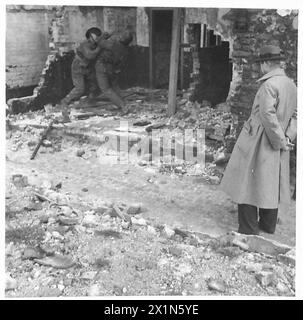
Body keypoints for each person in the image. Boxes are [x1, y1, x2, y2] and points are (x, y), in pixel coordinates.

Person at [219, 45, 297, 235]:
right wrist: (287, 138)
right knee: (270, 182)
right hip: (278, 140)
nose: (260, 68)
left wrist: (279, 140)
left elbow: (267, 116)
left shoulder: (269, 85)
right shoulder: (291, 84)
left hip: (259, 139)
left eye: (261, 63)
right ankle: (268, 225)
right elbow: (296, 115)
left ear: (268, 63)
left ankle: (248, 228)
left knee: (247, 182)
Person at [57, 27, 111, 121]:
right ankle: (65, 101)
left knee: (95, 82)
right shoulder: (84, 44)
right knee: (79, 89)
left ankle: (89, 100)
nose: (97, 39)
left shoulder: (95, 43)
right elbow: (90, 55)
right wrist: (100, 47)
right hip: (78, 67)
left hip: (87, 67)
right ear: (89, 37)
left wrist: (105, 38)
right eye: (95, 37)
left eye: (98, 37)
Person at [94, 30, 133, 112]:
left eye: (121, 35)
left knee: (106, 89)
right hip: (112, 68)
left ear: (121, 38)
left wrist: (104, 36)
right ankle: (122, 102)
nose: (119, 36)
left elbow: (98, 41)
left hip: (102, 66)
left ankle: (123, 105)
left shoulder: (113, 44)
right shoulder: (125, 49)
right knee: (114, 86)